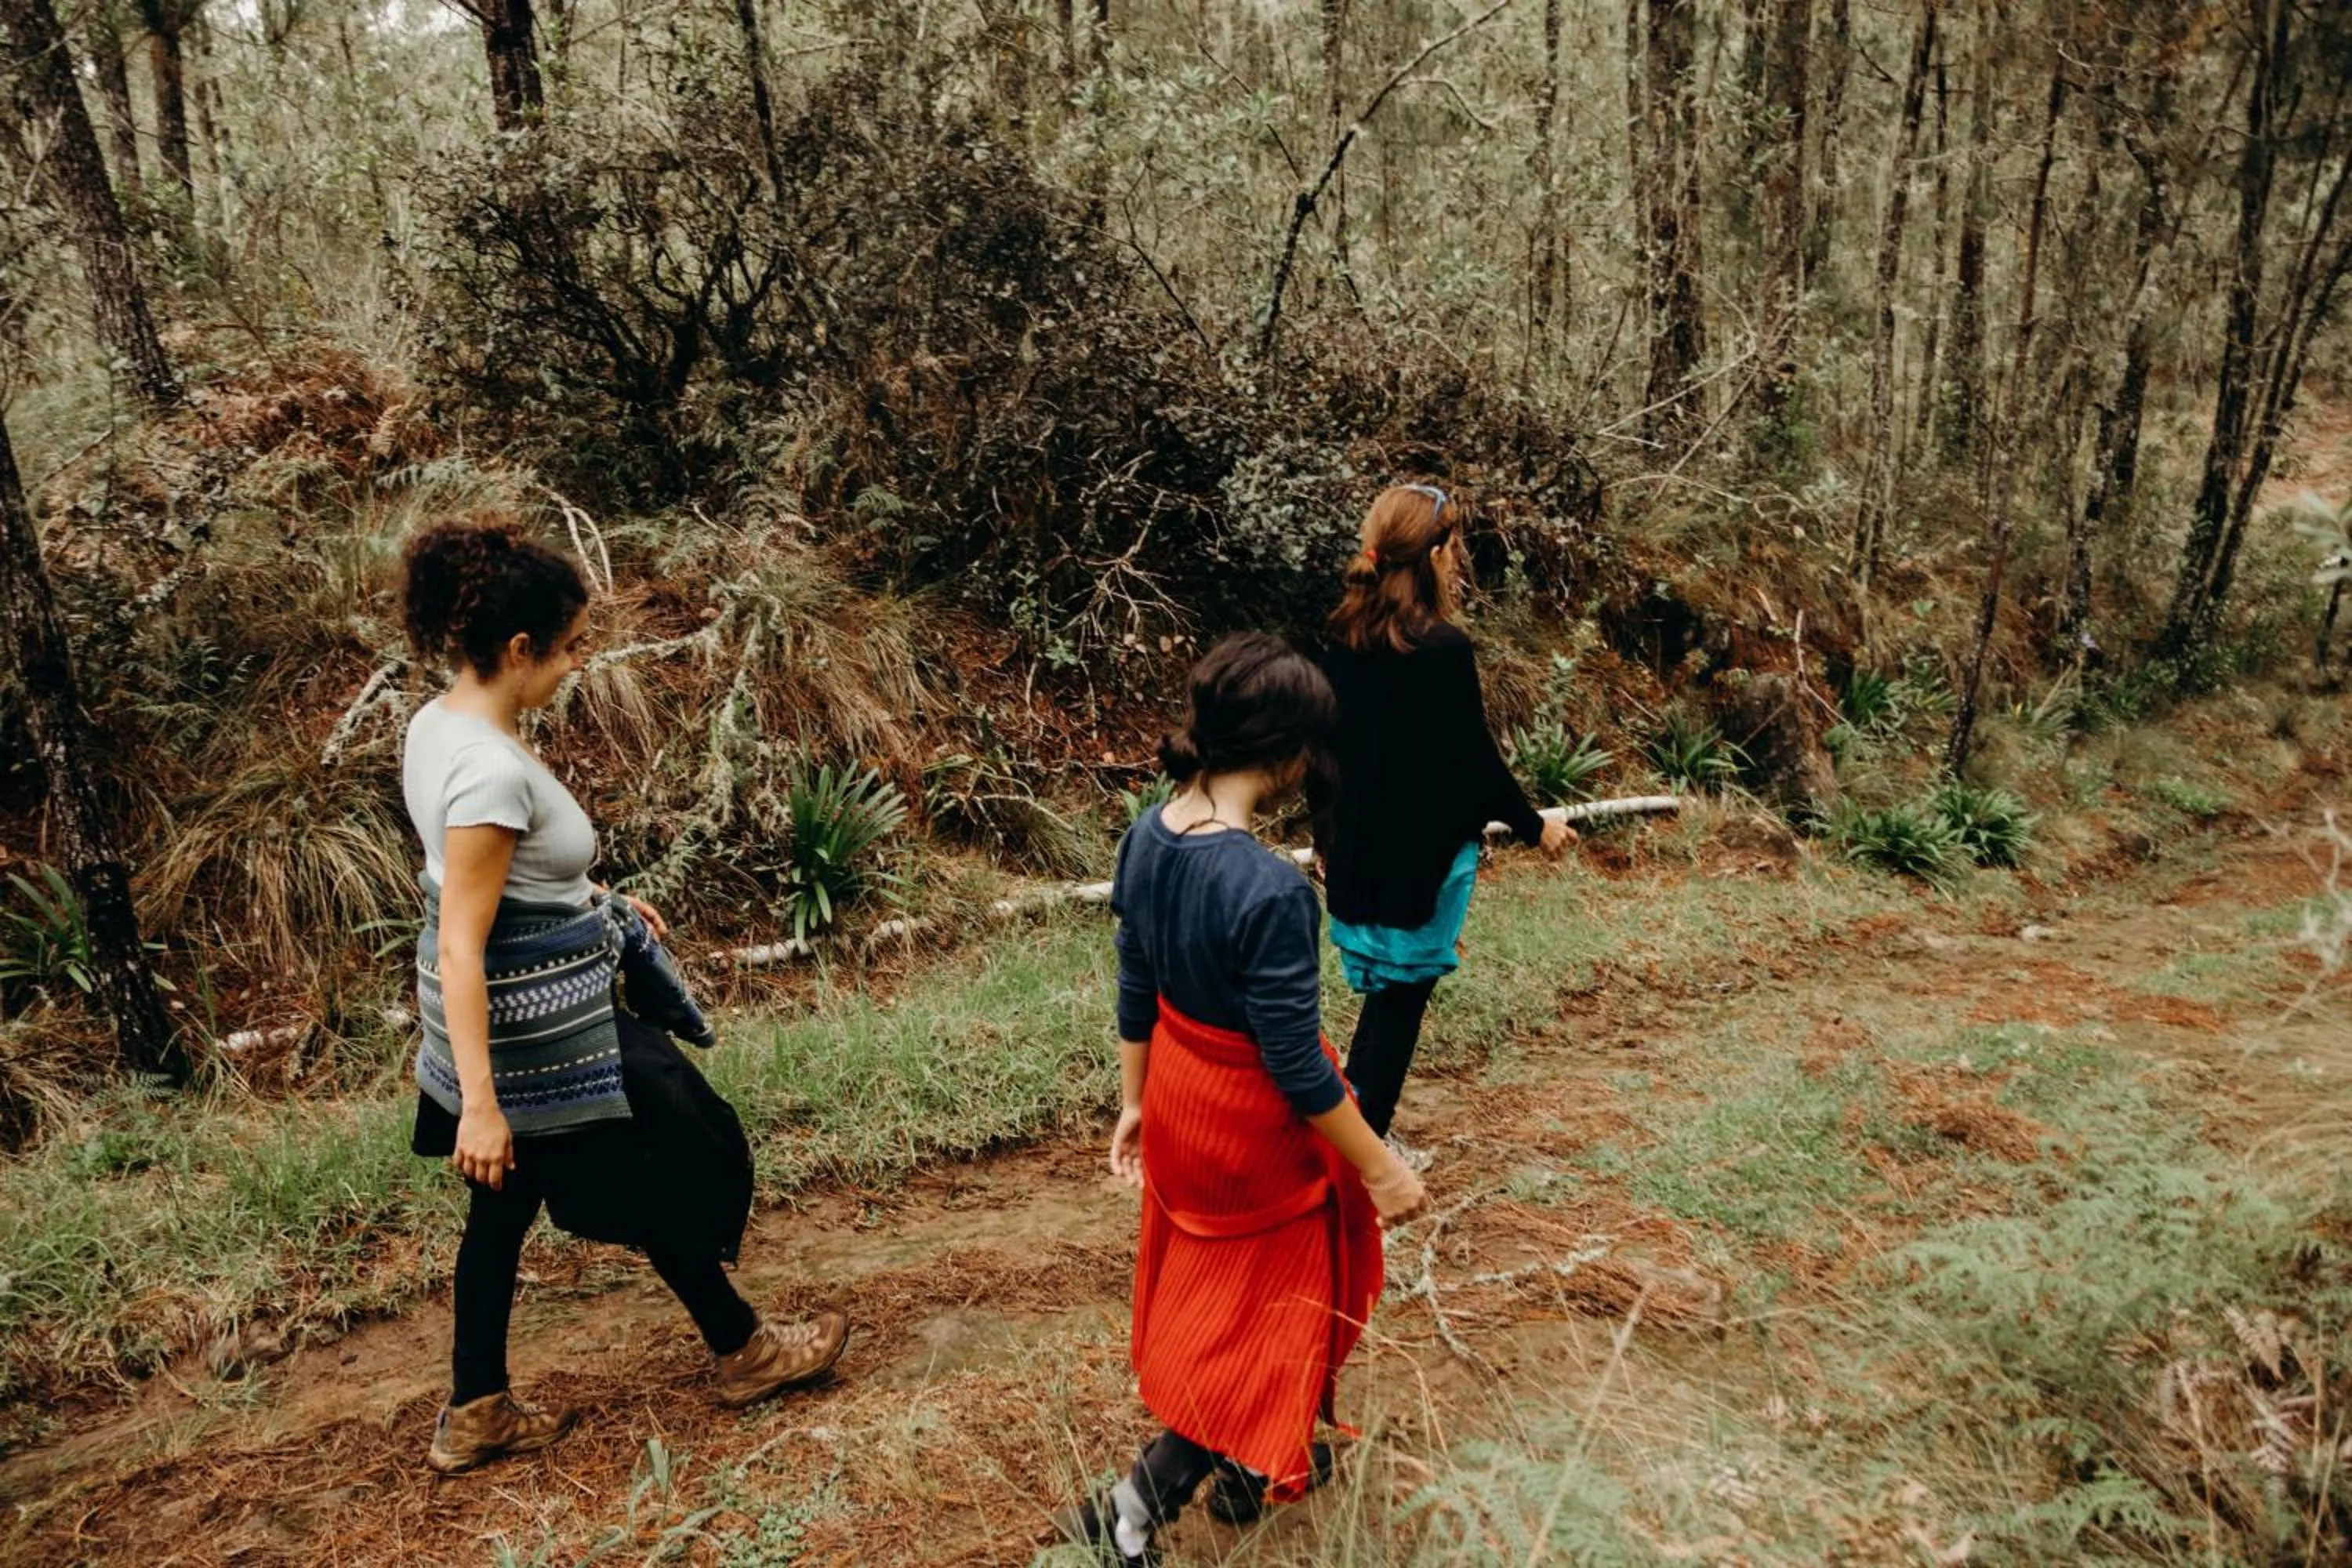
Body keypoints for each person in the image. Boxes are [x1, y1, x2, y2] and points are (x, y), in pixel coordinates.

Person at [398, 519, 849, 1475]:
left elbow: (500, 883)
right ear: (518, 649)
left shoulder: (439, 724)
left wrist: (592, 899)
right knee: (679, 1145)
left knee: (510, 1205)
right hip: (544, 1039)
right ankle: (744, 1349)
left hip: (525, 1024)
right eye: (566, 649)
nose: (576, 665)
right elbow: (462, 935)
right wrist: (480, 1104)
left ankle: (478, 1405)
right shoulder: (485, 768)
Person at [1052, 633, 1432, 1566]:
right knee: (1272, 1315)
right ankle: (1133, 1507)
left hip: (1180, 1091)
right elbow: (1298, 1067)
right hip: (1248, 1127)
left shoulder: (1146, 832)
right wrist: (1379, 1166)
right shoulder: (1267, 887)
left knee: (1229, 1296)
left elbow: (1137, 978)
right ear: (1291, 753)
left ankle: (1261, 1461)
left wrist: (1135, 1099)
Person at [1313, 485, 1574, 1155]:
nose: (1457, 557)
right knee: (1402, 1003)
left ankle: (1356, 1130)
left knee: (1388, 996)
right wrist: (1533, 824)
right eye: (1453, 544)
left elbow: (1324, 754)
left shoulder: (1343, 635)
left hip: (1357, 854)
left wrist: (1324, 841)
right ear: (1434, 552)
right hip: (1420, 864)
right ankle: (1366, 1150)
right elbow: (1475, 762)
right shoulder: (1441, 648)